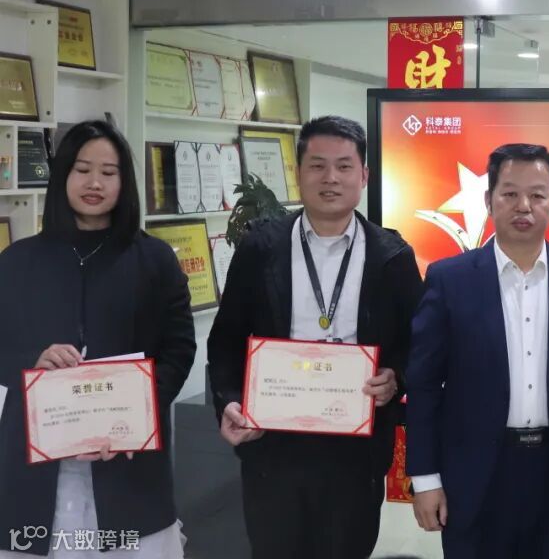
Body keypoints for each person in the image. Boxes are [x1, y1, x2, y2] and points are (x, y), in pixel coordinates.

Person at [207, 116, 423, 559]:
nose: (331, 178)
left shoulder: (392, 257)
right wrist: (228, 399)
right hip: (273, 447)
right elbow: (225, 340)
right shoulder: (261, 248)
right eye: (318, 165)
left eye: (344, 166)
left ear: (364, 175)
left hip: (356, 453)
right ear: (298, 172)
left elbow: (417, 342)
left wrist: (395, 376)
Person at [406, 143, 549, 559]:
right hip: (474, 472)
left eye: (538, 195)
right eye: (510, 193)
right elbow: (424, 384)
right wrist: (425, 478)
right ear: (489, 200)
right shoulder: (450, 279)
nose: (524, 206)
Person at [0, 120, 195, 558]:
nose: (94, 183)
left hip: (127, 462)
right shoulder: (17, 261)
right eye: (82, 169)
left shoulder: (155, 259)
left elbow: (179, 348)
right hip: (36, 467)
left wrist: (138, 416)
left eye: (108, 172)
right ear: (62, 175)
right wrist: (32, 360)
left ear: (125, 182)